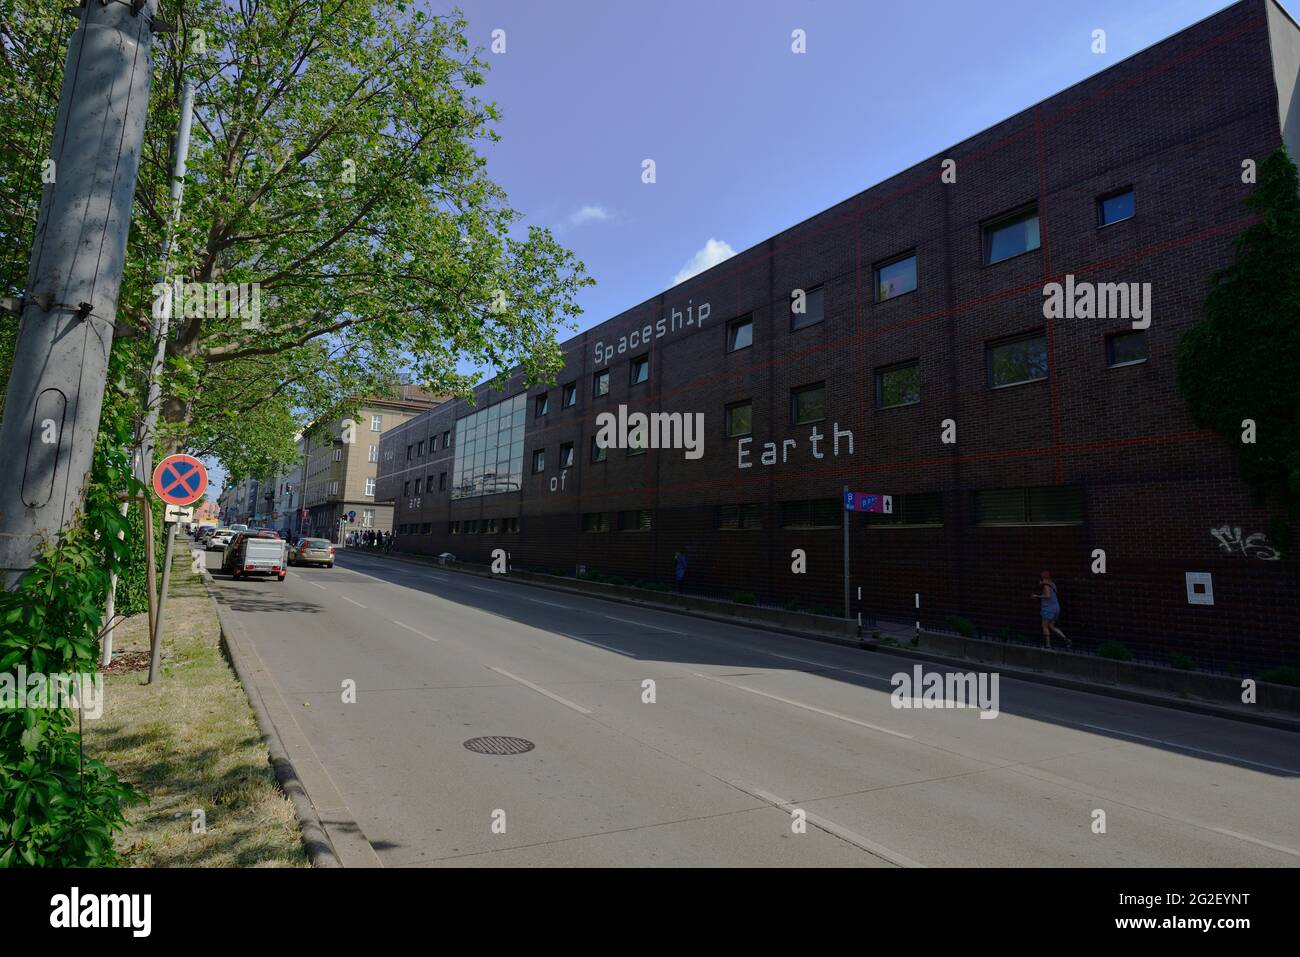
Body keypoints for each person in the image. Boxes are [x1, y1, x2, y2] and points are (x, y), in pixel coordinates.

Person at [1031, 570, 1070, 649]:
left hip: (1048, 609)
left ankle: (1048, 645)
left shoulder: (1046, 586)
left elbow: (1048, 596)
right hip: (1056, 608)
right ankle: (1066, 639)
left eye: (1041, 578)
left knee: (1044, 626)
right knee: (1052, 626)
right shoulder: (1053, 584)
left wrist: (1037, 596)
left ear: (1043, 578)